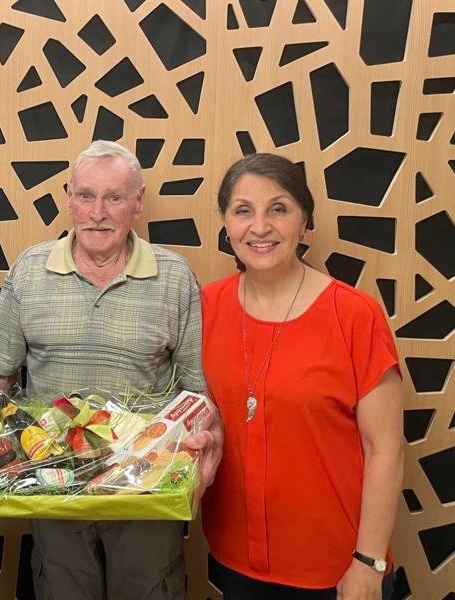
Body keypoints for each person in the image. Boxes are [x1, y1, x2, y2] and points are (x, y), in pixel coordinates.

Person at [0, 140, 221, 600]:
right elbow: (0, 375)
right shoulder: (29, 269)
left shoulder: (175, 276)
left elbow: (196, 391)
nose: (97, 212)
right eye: (86, 196)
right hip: (52, 483)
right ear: (68, 197)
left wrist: (205, 439)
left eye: (114, 197)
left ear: (138, 201)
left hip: (144, 486)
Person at [200, 153, 402, 599]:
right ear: (226, 223)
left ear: (304, 221)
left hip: (337, 566)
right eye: (243, 210)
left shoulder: (353, 314)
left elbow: (385, 448)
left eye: (279, 208)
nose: (260, 227)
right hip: (235, 558)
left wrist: (368, 563)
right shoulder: (206, 308)